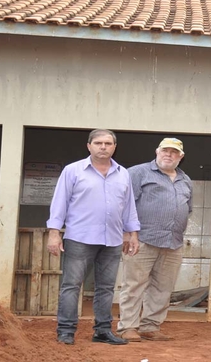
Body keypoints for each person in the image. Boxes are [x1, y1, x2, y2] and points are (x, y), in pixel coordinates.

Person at [47, 129, 141, 346]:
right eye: (98, 142)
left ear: (114, 147)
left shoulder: (123, 173)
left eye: (108, 143)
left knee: (106, 287)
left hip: (113, 240)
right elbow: (59, 202)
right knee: (72, 285)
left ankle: (102, 331)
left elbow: (128, 206)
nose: (103, 147)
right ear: (89, 146)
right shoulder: (73, 171)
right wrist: (54, 233)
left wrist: (131, 234)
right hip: (80, 237)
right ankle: (66, 331)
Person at [116, 137, 192, 342]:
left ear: (181, 157)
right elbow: (123, 204)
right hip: (141, 240)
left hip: (173, 242)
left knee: (163, 287)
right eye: (165, 150)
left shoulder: (185, 180)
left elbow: (188, 208)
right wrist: (126, 234)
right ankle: (128, 327)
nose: (169, 154)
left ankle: (150, 326)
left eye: (174, 152)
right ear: (157, 151)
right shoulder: (138, 172)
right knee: (134, 285)